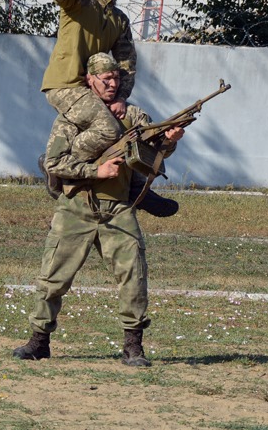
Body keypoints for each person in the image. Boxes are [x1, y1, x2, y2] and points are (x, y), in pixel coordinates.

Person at [13, 53, 185, 367]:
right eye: (105, 79)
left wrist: (171, 141)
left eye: (116, 79)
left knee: (133, 276)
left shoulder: (132, 115)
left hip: (117, 210)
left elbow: (154, 150)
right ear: (90, 80)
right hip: (75, 208)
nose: (112, 84)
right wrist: (97, 171)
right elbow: (54, 162)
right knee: (53, 278)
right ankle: (38, 342)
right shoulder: (72, 118)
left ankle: (133, 348)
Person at [39, 0, 137, 167]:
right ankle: (59, 167)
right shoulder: (80, 0)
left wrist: (120, 97)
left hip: (92, 90)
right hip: (66, 85)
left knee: (131, 124)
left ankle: (130, 186)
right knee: (108, 130)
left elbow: (126, 63)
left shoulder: (119, 19)